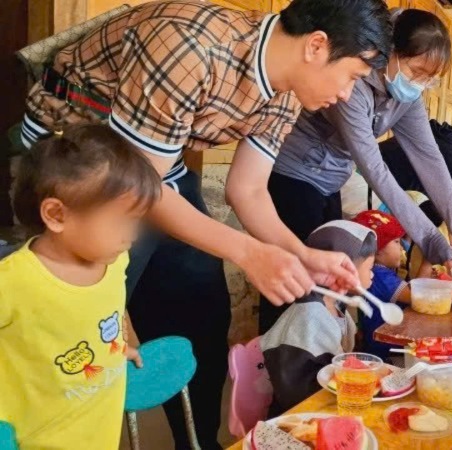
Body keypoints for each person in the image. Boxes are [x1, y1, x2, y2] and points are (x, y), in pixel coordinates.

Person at [20, 1, 391, 447]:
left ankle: (196, 443)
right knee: (76, 323)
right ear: (316, 45)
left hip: (152, 167)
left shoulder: (287, 89)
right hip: (69, 162)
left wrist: (302, 254)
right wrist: (248, 252)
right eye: (352, 75)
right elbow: (140, 191)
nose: (349, 94)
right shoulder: (189, 42)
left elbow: (248, 189)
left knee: (202, 310)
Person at [242, 8, 452, 332]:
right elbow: (374, 169)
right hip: (292, 175)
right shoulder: (353, 81)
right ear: (391, 52)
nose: (420, 84)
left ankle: (317, 362)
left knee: (330, 280)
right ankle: (277, 363)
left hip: (330, 181)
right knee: (295, 282)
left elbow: (429, 157)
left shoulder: (405, 96)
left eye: (429, 79)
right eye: (416, 71)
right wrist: (429, 236)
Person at [0, 125, 160, 448]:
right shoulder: (14, 282)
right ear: (57, 214)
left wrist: (115, 348)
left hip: (97, 432)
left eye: (136, 220)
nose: (131, 235)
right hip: (34, 439)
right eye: (119, 221)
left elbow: (110, 307)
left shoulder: (115, 260)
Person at [260, 221, 377, 417]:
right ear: (345, 269)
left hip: (332, 405)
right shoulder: (309, 318)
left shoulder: (337, 308)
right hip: (298, 417)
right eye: (370, 267)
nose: (373, 273)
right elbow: (294, 392)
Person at [352, 211, 410, 360]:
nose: (402, 248)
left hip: (378, 345)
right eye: (396, 242)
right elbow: (417, 298)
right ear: (377, 251)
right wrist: (428, 261)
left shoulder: (378, 271)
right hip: (387, 351)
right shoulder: (380, 275)